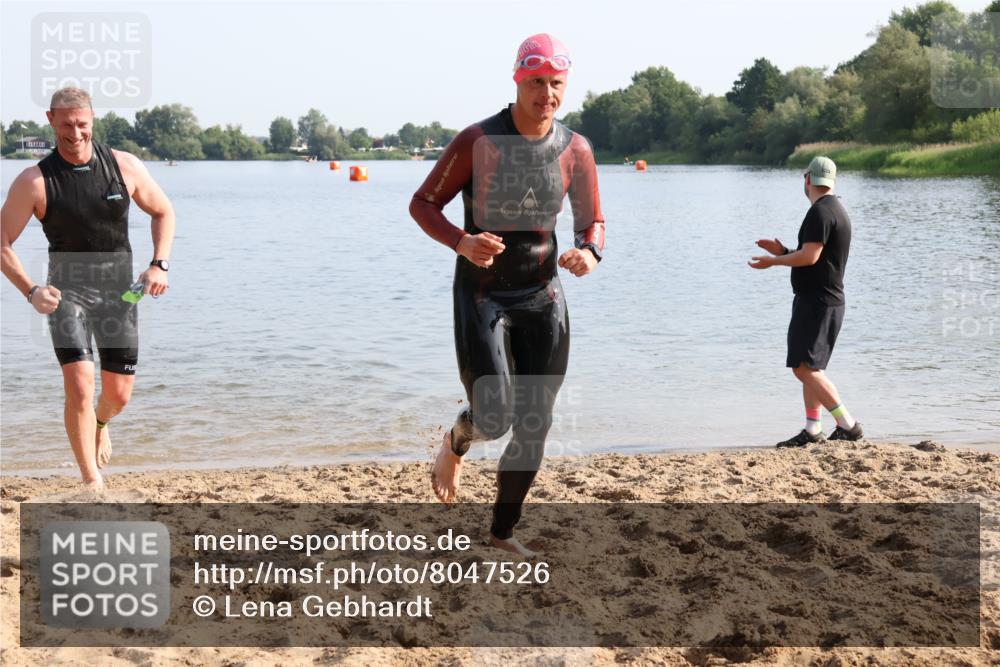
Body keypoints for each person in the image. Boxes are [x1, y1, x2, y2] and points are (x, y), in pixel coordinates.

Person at [409, 33, 605, 556]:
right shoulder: (478, 141)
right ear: (518, 80)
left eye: (556, 83)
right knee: (493, 417)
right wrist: (461, 240)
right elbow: (424, 203)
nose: (547, 93)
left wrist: (589, 252)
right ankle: (457, 441)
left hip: (543, 293)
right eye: (536, 81)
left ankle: (501, 533)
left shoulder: (576, 149)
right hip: (483, 293)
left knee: (535, 422)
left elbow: (594, 224)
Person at [1, 87, 175, 489]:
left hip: (121, 293)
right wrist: (30, 290)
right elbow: (2, 242)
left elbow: (163, 211)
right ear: (50, 120)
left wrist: (158, 264)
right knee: (80, 383)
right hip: (67, 296)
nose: (75, 132)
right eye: (66, 125)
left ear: (93, 119)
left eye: (82, 124)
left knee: (118, 395)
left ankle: (100, 422)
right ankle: (90, 479)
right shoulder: (35, 181)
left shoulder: (125, 167)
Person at [749, 156, 863, 447]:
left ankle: (848, 424)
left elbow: (809, 257)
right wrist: (786, 249)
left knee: (803, 369)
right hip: (825, 300)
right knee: (810, 367)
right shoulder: (834, 209)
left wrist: (775, 261)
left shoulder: (820, 213)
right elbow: (814, 257)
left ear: (808, 179)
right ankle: (813, 429)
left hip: (818, 302)